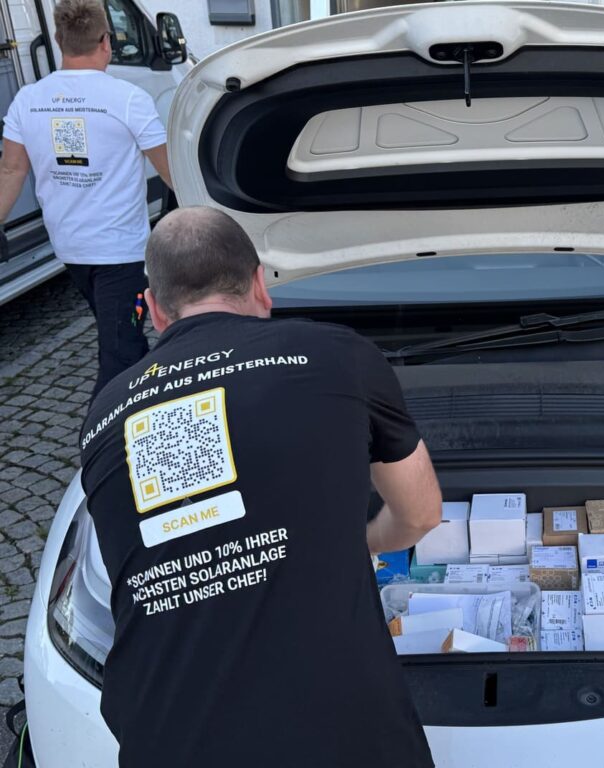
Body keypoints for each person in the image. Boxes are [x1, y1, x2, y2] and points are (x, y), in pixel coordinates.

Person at [79, 207, 442, 768]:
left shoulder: (105, 415)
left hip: (165, 737)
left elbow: (156, 551)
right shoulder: (335, 355)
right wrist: (361, 542)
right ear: (258, 284)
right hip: (339, 737)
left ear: (154, 309)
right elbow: (420, 515)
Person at [0, 0, 172, 399]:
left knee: (123, 337)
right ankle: (104, 431)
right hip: (121, 253)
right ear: (106, 42)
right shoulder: (128, 98)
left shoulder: (27, 99)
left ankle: (145, 401)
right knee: (121, 355)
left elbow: (10, 171)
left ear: (59, 40)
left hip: (70, 248)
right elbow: (171, 172)